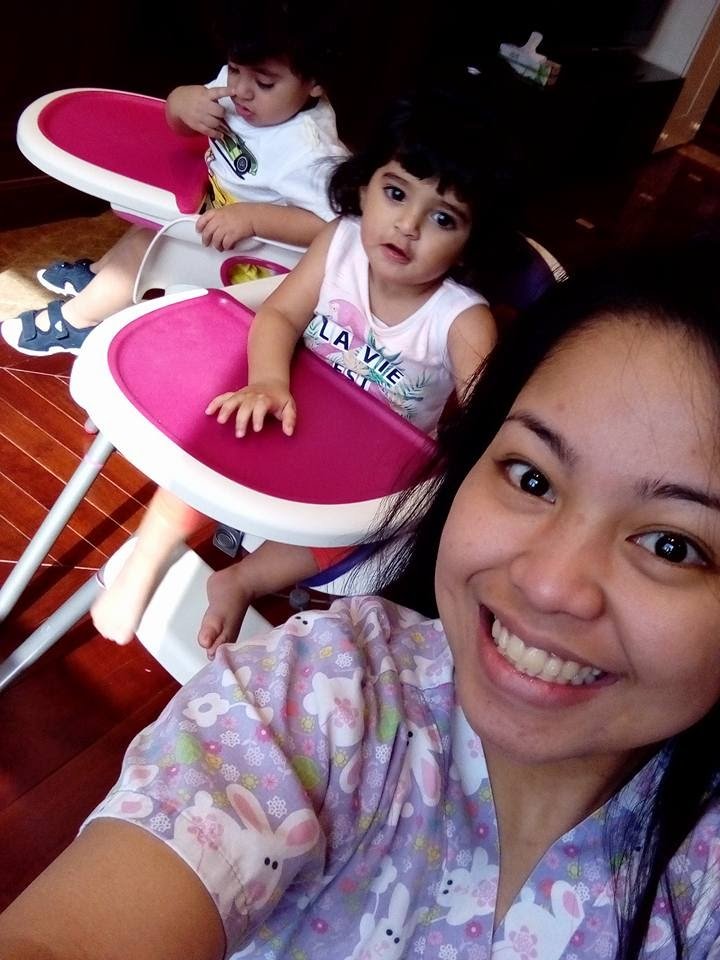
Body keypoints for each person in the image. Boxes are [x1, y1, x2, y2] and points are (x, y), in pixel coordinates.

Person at [3, 234, 720, 959]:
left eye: (673, 545)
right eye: (531, 478)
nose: (547, 584)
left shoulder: (459, 320)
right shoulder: (327, 693)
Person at [90, 67, 526, 654]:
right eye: (396, 193)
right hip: (293, 406)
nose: (407, 226)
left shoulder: (461, 319)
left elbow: (487, 426)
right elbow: (279, 315)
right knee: (212, 439)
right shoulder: (340, 242)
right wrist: (269, 381)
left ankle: (241, 580)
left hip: (368, 466)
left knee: (357, 530)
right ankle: (145, 560)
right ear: (364, 186)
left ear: (472, 243)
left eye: (443, 218)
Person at [0, 0, 348, 357]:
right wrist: (181, 104)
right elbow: (181, 125)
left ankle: (78, 322)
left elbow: (333, 228)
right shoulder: (242, 89)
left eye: (264, 82)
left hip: (254, 262)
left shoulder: (311, 153)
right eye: (233, 69)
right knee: (148, 222)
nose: (240, 90)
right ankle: (100, 278)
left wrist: (254, 218)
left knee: (153, 245)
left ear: (315, 83)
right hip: (215, 210)